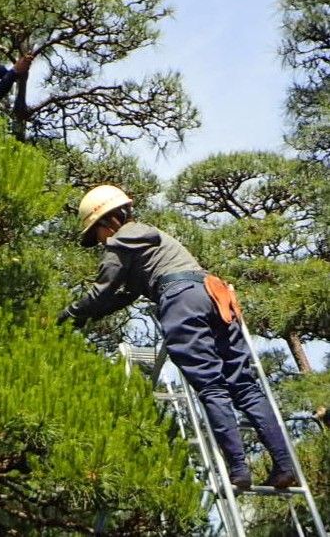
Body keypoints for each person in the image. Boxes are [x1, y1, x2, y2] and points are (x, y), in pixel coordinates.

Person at [57, 185, 299, 491]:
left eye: (98, 234)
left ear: (109, 222)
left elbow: (102, 290)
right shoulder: (154, 238)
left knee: (211, 384)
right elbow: (122, 296)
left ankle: (238, 469)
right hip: (214, 293)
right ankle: (284, 466)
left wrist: (66, 316)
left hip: (180, 299)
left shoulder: (119, 242)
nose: (100, 242)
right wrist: (87, 317)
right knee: (244, 385)